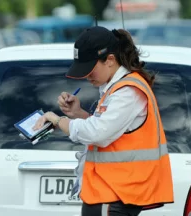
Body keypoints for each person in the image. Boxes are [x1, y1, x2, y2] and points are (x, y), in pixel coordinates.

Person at [33, 26, 174, 216]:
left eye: (90, 69)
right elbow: (110, 130)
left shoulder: (127, 91)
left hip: (115, 193)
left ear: (110, 60)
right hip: (112, 191)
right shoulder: (116, 88)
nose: (86, 76)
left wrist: (58, 120)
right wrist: (79, 113)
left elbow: (97, 134)